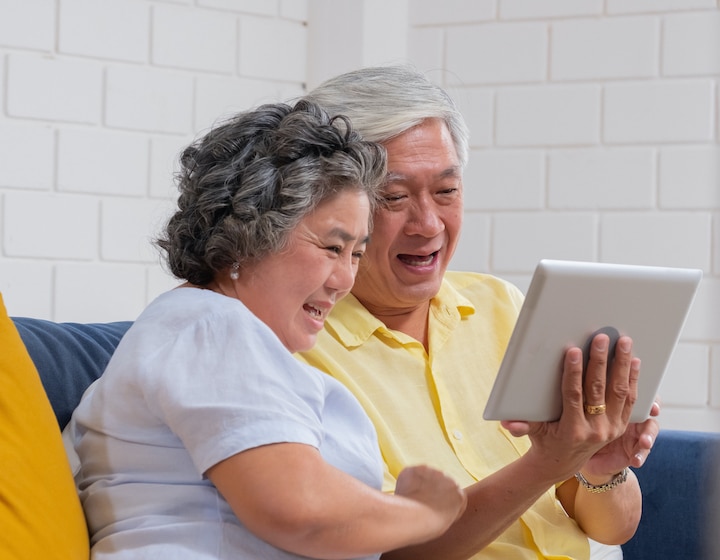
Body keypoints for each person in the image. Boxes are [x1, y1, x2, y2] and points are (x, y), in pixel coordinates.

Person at [67, 99, 467, 559]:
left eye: (356, 253)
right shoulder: (212, 327)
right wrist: (425, 514)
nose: (344, 280)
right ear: (251, 236)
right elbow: (299, 512)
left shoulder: (218, 335)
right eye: (332, 247)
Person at [298, 65, 660, 560]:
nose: (428, 224)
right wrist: (548, 464)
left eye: (446, 191)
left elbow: (614, 529)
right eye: (395, 197)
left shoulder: (499, 306)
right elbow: (389, 552)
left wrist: (600, 466)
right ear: (328, 205)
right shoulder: (301, 347)